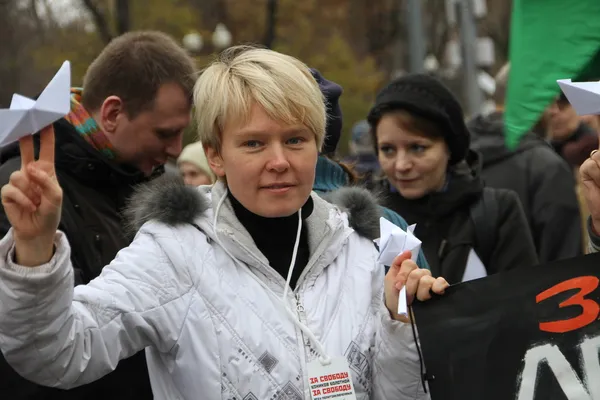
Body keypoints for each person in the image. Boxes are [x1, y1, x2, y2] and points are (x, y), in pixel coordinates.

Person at [0, 45, 448, 400]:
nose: (279, 162)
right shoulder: (173, 251)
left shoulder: (369, 247)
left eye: (295, 139)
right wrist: (35, 251)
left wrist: (399, 322)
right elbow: (55, 354)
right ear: (215, 154)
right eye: (253, 143)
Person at [0, 31, 196, 399]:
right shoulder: (19, 192)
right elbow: (23, 353)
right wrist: (33, 252)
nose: (176, 149)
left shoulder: (160, 187)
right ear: (112, 113)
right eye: (165, 133)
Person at [367, 73, 538, 284]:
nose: (401, 165)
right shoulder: (363, 221)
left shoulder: (496, 213)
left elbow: (522, 302)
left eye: (417, 148)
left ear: (449, 147)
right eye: (388, 150)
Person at [308, 69, 429, 269]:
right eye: (253, 143)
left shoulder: (386, 226)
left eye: (293, 140)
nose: (402, 165)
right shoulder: (390, 225)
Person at [468, 63, 582, 263]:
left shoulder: (454, 157)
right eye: (550, 101)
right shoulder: (548, 168)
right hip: (534, 291)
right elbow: (565, 265)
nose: (554, 110)